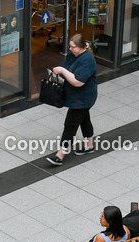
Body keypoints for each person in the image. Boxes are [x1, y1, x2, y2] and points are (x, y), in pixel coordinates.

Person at [46, 34, 98, 166]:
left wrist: (62, 70)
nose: (70, 49)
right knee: (84, 119)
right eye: (69, 46)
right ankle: (89, 145)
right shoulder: (72, 55)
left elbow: (78, 82)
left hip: (82, 98)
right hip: (78, 97)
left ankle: (61, 154)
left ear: (81, 47)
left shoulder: (87, 60)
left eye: (73, 47)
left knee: (70, 125)